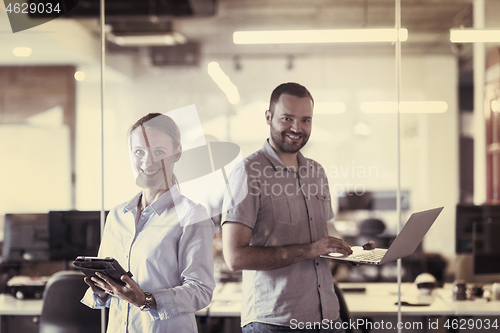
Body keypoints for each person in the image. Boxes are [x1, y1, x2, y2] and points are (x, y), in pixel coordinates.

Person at [222, 82, 352, 333]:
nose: (297, 128)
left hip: (327, 317)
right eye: (287, 118)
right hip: (275, 322)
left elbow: (320, 242)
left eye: (305, 120)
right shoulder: (247, 173)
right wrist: (309, 250)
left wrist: (350, 252)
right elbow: (234, 257)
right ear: (268, 117)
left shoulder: (317, 172)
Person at [81, 113, 215, 333]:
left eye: (159, 152)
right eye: (139, 152)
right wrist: (103, 287)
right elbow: (107, 292)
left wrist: (146, 300)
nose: (148, 161)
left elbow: (201, 291)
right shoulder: (117, 215)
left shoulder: (191, 216)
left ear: (177, 153)